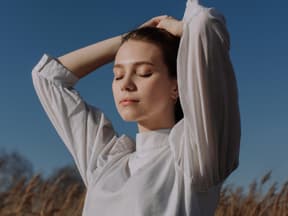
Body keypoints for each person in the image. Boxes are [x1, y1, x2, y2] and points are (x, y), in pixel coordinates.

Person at [32, 0, 241, 215]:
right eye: (118, 75)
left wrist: (179, 29)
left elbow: (204, 24)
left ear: (176, 87)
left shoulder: (194, 158)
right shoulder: (105, 163)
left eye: (144, 73)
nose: (126, 84)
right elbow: (48, 78)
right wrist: (127, 40)